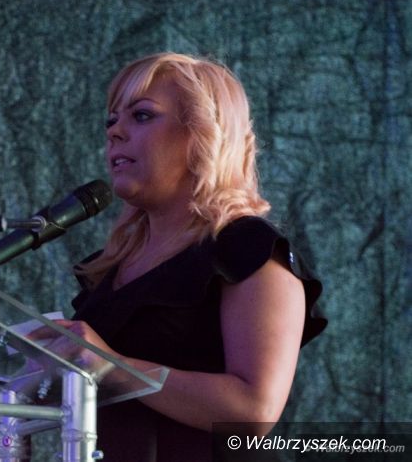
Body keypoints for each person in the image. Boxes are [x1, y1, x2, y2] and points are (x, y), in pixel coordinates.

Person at [31, 52, 327, 461]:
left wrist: (112, 365)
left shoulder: (247, 250)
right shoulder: (112, 267)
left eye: (142, 115)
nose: (115, 131)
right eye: (111, 120)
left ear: (203, 134)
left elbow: (254, 410)